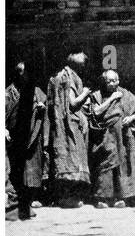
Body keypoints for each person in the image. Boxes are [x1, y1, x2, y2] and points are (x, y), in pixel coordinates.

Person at [88, 71, 135, 208]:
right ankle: (103, 199)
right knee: (105, 164)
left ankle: (121, 197)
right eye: (108, 81)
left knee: (122, 165)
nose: (112, 84)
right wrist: (112, 98)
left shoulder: (126, 94)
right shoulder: (97, 95)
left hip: (123, 134)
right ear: (103, 82)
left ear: (119, 81)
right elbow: (97, 112)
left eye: (114, 81)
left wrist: (131, 118)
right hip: (106, 135)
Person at [47, 52, 93, 208]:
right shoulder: (68, 77)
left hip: (64, 124)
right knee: (71, 159)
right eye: (82, 56)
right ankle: (67, 197)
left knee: (69, 159)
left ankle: (67, 196)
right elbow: (73, 104)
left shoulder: (61, 76)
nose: (85, 60)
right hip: (69, 126)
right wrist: (86, 92)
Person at [5, 62, 48, 220]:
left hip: (33, 135)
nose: (24, 76)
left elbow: (45, 103)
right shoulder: (9, 93)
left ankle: (32, 198)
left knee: (33, 165)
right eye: (21, 73)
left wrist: (42, 107)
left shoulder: (35, 90)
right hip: (15, 137)